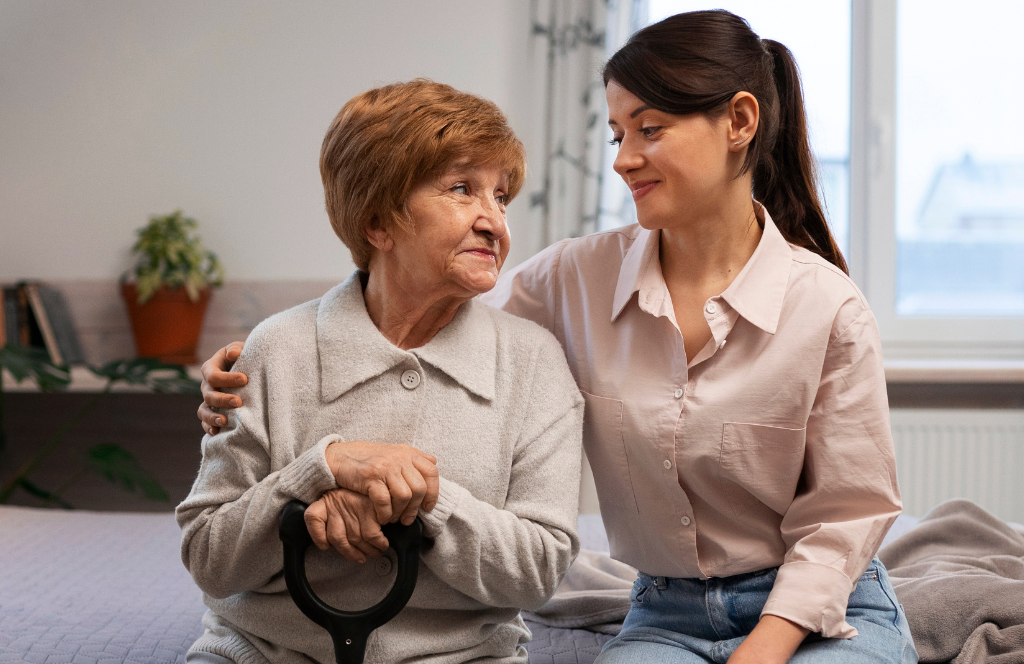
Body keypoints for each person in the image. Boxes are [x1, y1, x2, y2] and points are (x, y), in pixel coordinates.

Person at [198, 11, 917, 664]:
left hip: (822, 610)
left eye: (649, 129)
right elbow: (417, 307)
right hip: (667, 612)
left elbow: (848, 513)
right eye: (617, 135)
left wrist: (762, 651)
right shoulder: (574, 279)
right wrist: (257, 365)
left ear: (739, 121)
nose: (622, 158)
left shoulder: (828, 307)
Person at [177, 79, 584, 664]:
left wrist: (420, 499)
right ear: (377, 224)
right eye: (462, 189)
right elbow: (210, 559)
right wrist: (321, 469)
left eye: (500, 197)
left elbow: (538, 573)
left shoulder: (534, 361)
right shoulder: (275, 349)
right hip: (264, 651)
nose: (495, 222)